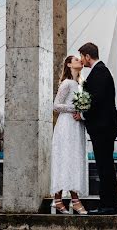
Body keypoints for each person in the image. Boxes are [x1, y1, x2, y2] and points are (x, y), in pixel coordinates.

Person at [73, 42, 117, 215]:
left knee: (104, 166)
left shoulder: (99, 71)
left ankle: (108, 205)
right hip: (104, 125)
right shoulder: (99, 71)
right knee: (105, 165)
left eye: (82, 56)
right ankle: (111, 204)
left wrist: (83, 115)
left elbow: (97, 99)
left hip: (103, 126)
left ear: (87, 56)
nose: (81, 60)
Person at [50, 55, 88, 215]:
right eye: (77, 60)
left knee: (74, 159)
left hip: (77, 125)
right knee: (64, 158)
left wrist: (83, 109)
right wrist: (74, 108)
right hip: (66, 125)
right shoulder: (66, 83)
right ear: (69, 64)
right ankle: (63, 200)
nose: (80, 61)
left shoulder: (80, 83)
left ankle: (68, 199)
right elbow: (56, 105)